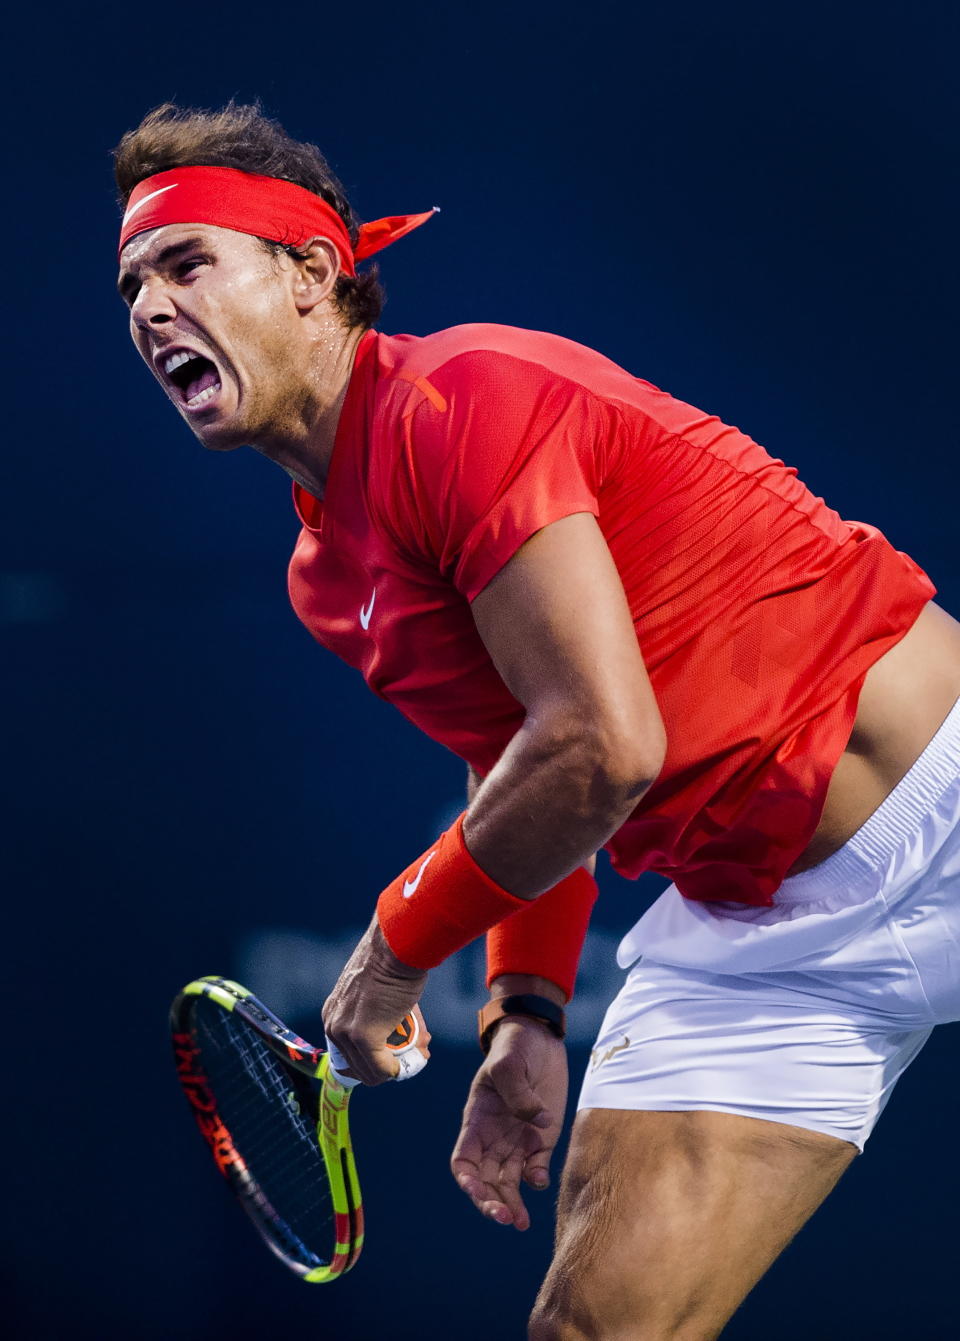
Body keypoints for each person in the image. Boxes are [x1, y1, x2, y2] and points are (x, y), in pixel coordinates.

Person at [115, 102, 960, 1340]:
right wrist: (524, 1013)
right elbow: (516, 761)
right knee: (593, 1329)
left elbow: (603, 747)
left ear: (311, 275)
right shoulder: (322, 578)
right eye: (130, 284)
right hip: (760, 938)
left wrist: (391, 951)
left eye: (186, 264)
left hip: (935, 799)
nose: (147, 307)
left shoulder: (466, 396)